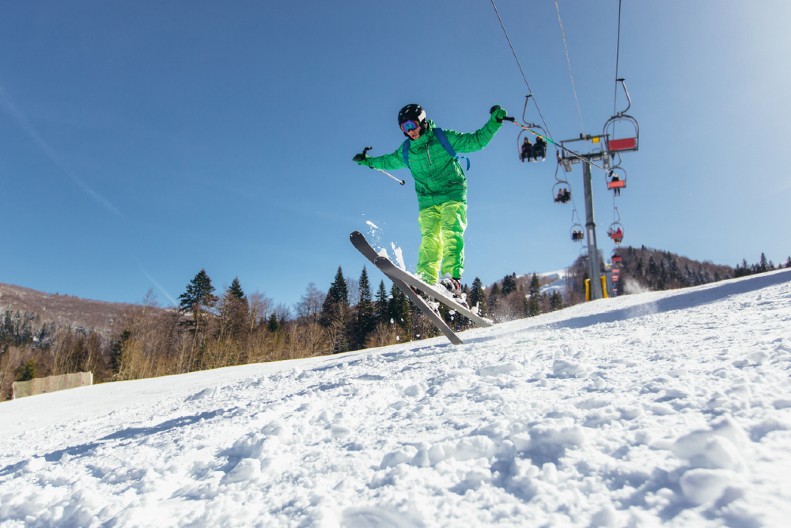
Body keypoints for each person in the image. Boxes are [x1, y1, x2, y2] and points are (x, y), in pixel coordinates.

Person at [354, 103, 507, 296]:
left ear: (422, 122)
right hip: (427, 199)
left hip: (452, 192)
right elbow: (387, 161)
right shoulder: (407, 151)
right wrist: (368, 161)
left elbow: (476, 141)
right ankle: (425, 280)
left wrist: (494, 123)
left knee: (451, 231)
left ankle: (452, 278)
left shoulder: (443, 138)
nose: (410, 132)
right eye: (404, 128)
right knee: (429, 238)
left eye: (412, 125)